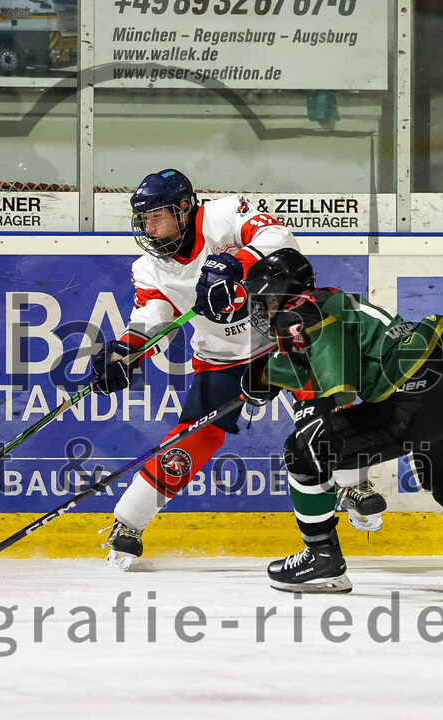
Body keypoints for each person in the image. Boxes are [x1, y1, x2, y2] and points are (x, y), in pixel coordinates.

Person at [89, 169, 384, 570]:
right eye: (144, 220)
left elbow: (280, 240)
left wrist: (234, 261)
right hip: (222, 356)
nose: (150, 228)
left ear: (183, 208)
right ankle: (128, 523)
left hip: (283, 334)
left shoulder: (227, 213)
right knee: (195, 437)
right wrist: (125, 351)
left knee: (327, 406)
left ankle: (353, 484)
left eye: (157, 216)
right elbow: (152, 315)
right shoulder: (149, 268)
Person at [240, 248, 443, 593]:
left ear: (286, 291)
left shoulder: (298, 310)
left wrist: (312, 411)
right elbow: (329, 353)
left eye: (266, 299)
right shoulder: (333, 302)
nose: (263, 309)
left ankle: (321, 558)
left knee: (302, 452)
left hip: (415, 395)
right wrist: (268, 378)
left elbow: (336, 379)